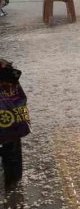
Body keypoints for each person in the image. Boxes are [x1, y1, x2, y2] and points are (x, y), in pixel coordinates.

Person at [0, 59, 27, 190]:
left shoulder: (5, 70)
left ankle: (13, 178)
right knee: (12, 145)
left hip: (7, 117)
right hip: (11, 119)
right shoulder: (6, 69)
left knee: (10, 145)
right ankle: (13, 177)